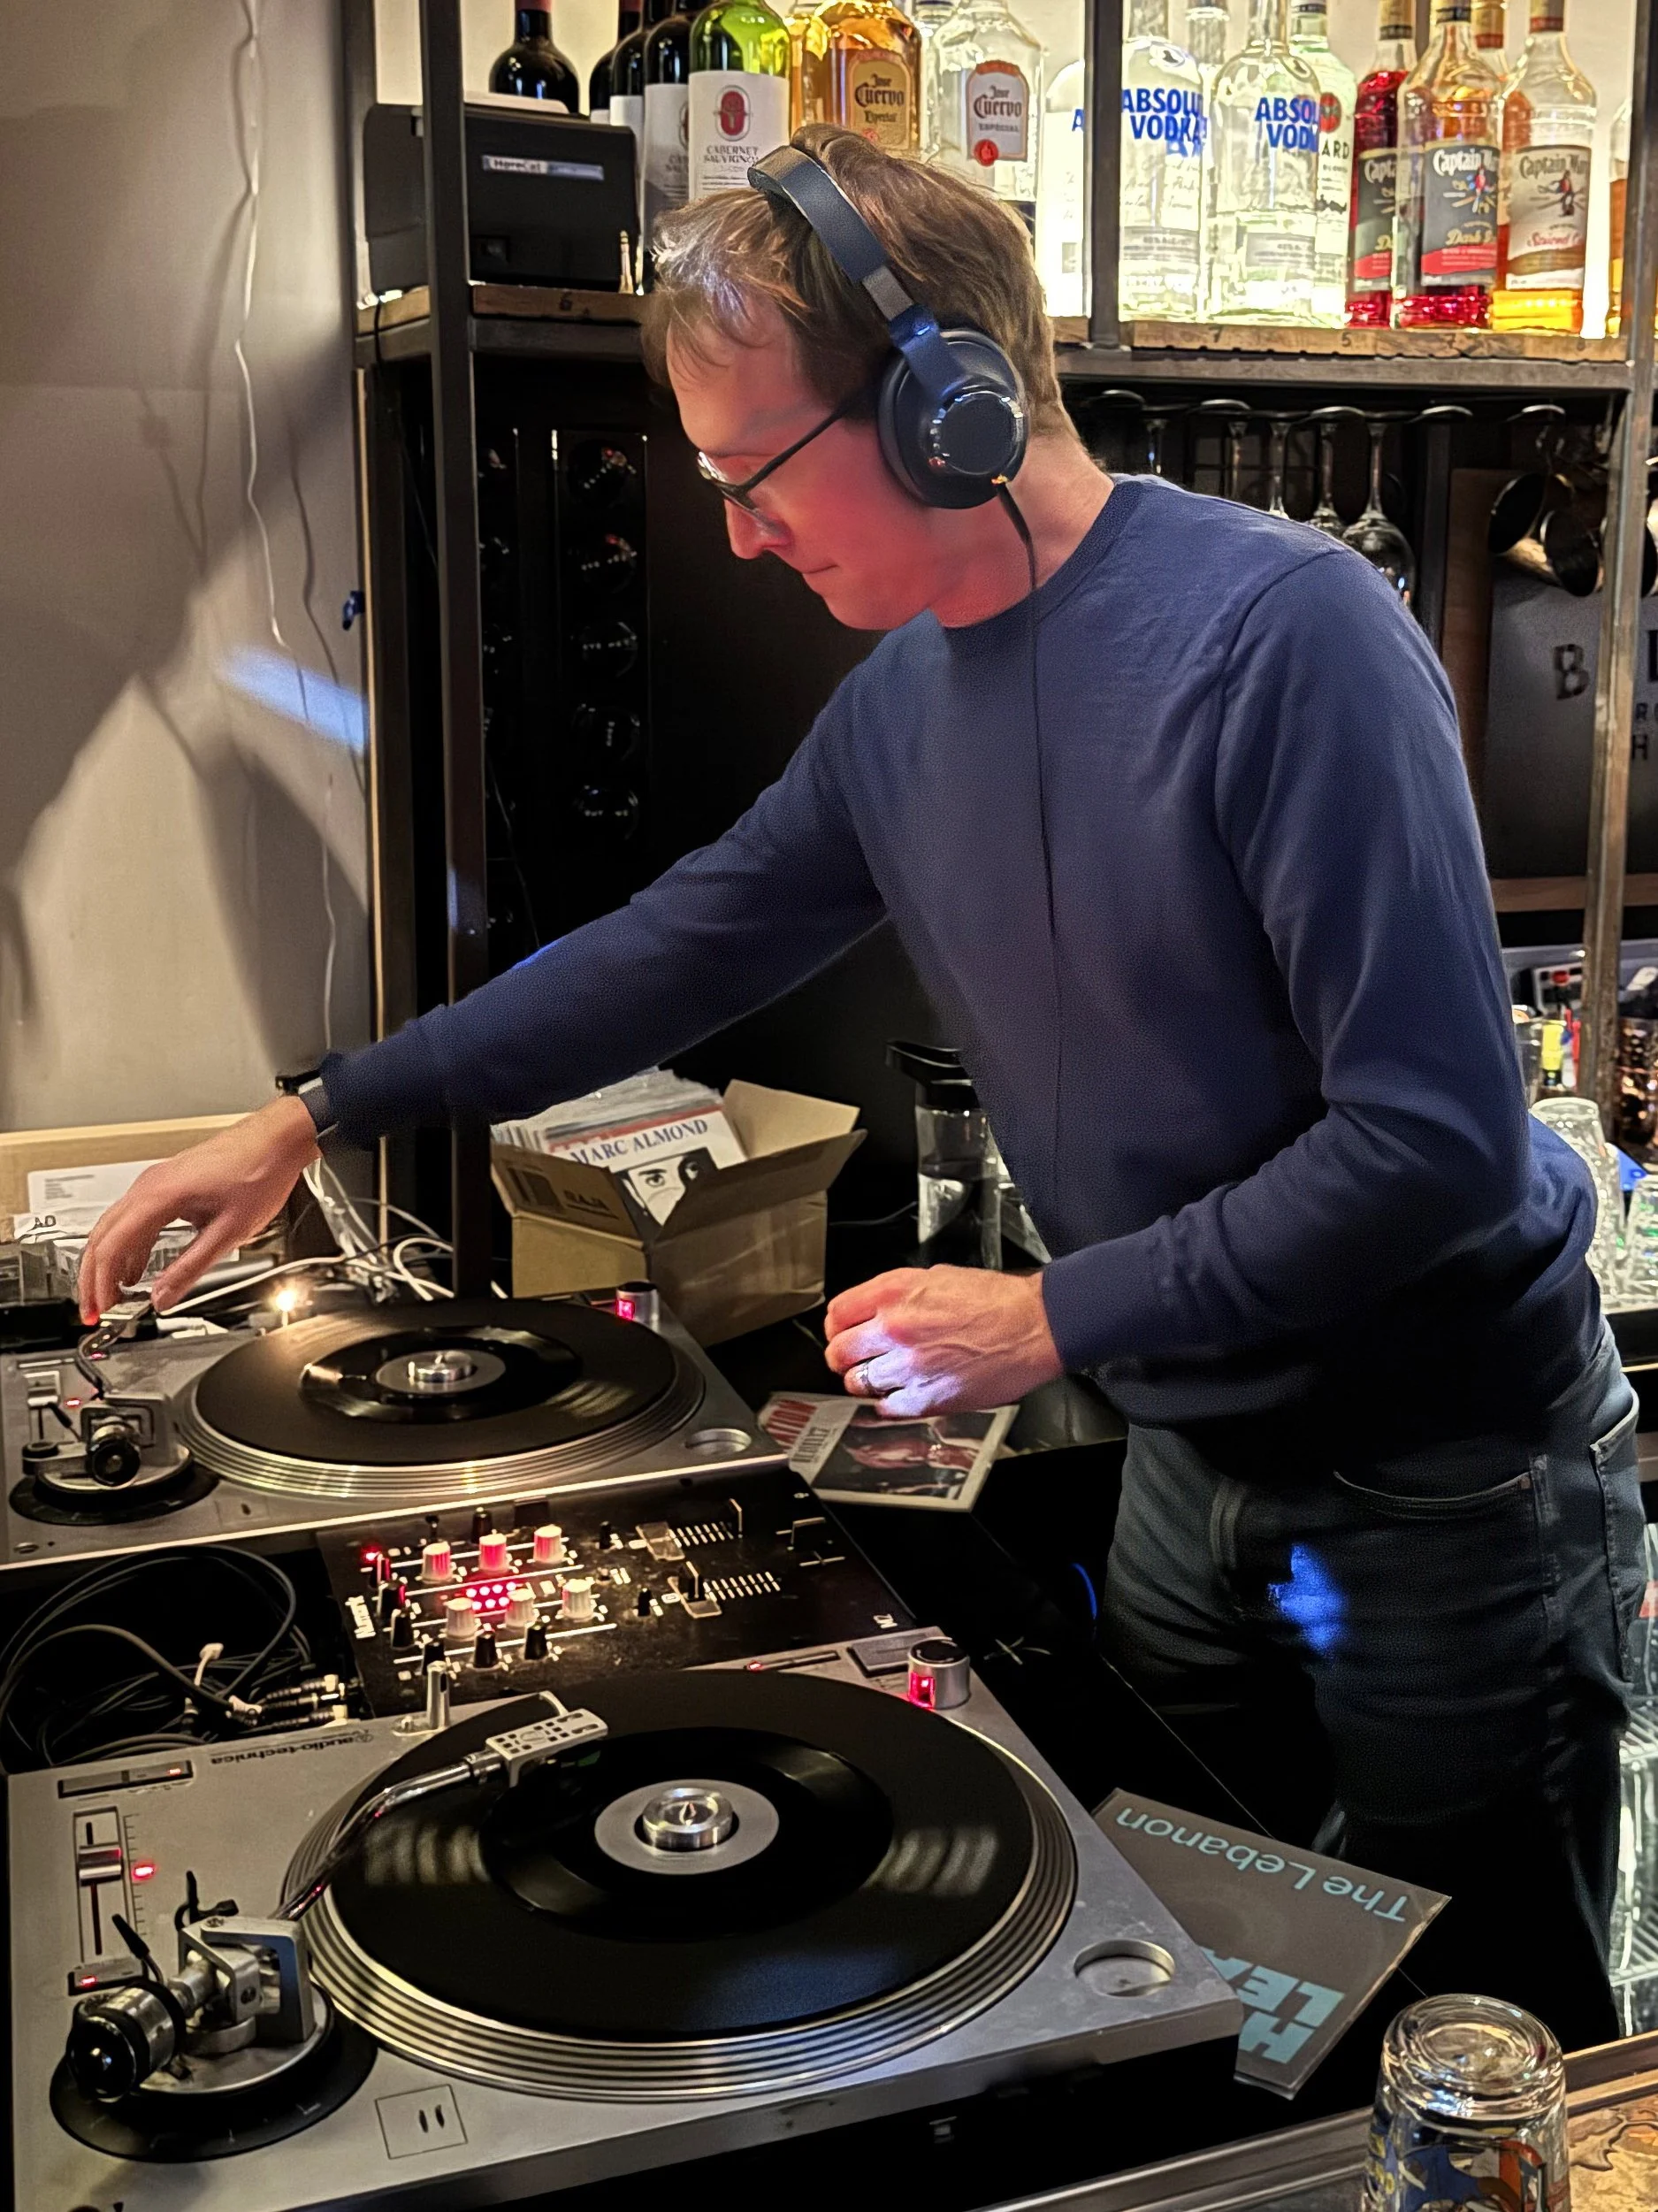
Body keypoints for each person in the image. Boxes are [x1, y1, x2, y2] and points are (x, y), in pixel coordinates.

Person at [80, 125, 1642, 2044]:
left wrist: (1053, 1311)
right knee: (1209, 2013)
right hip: (1191, 1468)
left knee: (1485, 2035)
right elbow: (670, 946)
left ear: (944, 407)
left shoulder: (1285, 636)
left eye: (754, 472)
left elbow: (1427, 1145)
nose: (737, 529)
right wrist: (316, 1106)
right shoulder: (901, 707)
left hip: (1444, 1484)